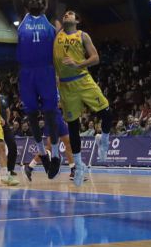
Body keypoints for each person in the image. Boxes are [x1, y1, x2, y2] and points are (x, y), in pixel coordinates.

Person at [10, 0, 61, 179]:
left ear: (42, 3)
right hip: (27, 73)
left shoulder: (48, 16)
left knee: (50, 114)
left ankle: (57, 157)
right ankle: (42, 153)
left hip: (46, 71)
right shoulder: (24, 17)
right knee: (31, 116)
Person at [53, 10, 111, 186]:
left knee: (106, 113)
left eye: (70, 14)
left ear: (77, 20)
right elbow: (49, 6)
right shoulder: (57, 33)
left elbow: (95, 58)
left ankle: (104, 139)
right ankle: (78, 166)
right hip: (66, 85)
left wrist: (78, 64)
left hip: (83, 79)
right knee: (73, 126)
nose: (66, 15)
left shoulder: (82, 35)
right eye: (65, 14)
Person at [24, 110, 87, 183]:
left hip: (59, 119)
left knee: (69, 144)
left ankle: (73, 170)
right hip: (51, 119)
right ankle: (30, 167)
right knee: (49, 148)